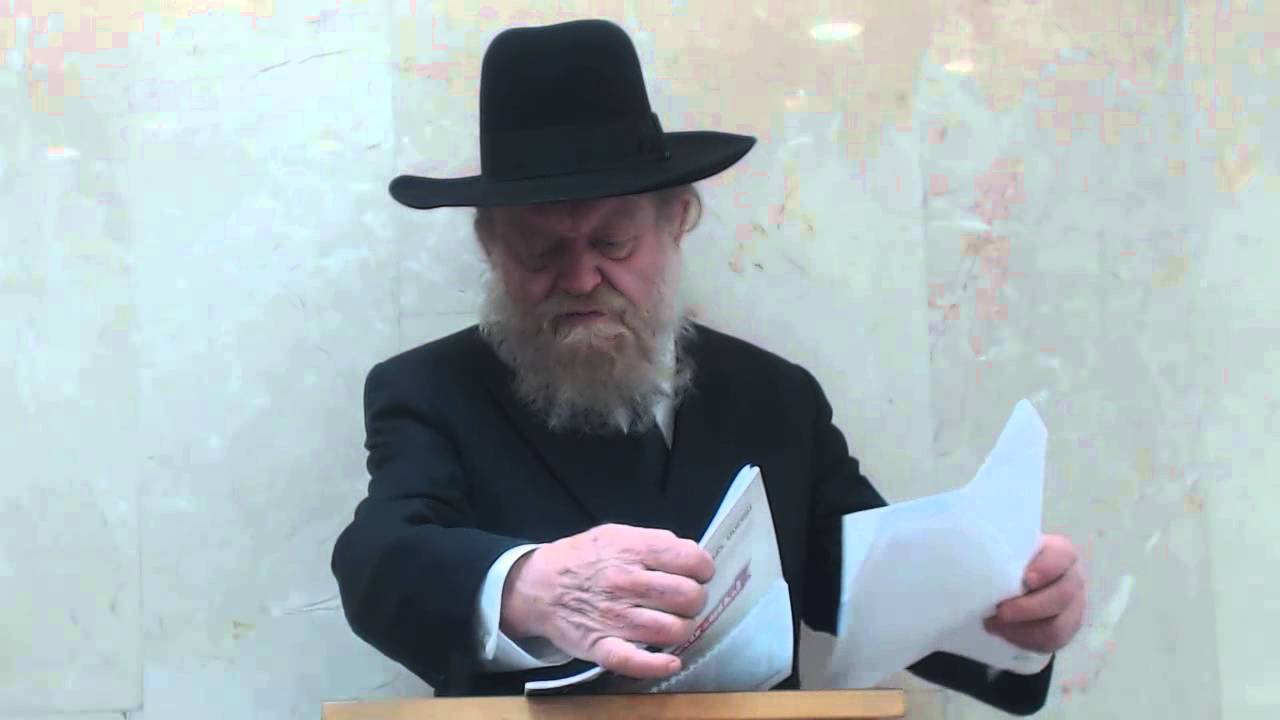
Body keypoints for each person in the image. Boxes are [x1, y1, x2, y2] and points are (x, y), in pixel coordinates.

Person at [331, 18, 1086, 715]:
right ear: (491, 248)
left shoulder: (775, 398)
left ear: (677, 220)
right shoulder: (431, 391)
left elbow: (879, 585)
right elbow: (378, 562)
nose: (582, 277)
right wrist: (526, 586)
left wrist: (1015, 615)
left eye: (613, 243)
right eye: (541, 250)